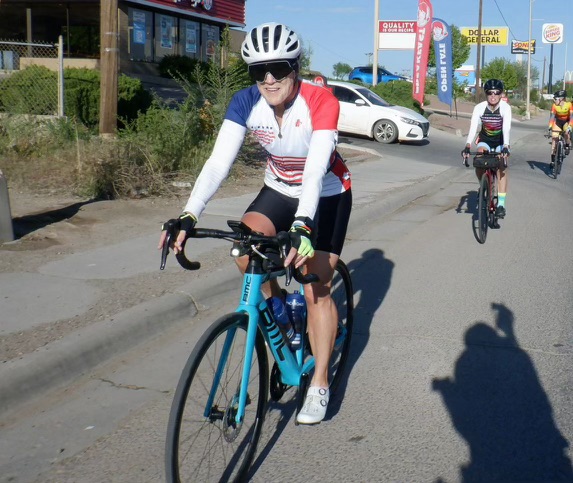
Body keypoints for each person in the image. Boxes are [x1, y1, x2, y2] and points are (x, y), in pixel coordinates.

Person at [158, 22, 352, 425]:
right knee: (244, 252)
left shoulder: (320, 101)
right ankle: (281, 313)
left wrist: (302, 226)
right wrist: (189, 214)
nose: (268, 79)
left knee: (316, 287)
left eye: (277, 69)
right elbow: (218, 163)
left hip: (327, 193)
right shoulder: (246, 101)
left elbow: (315, 171)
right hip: (278, 188)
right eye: (257, 71)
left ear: (295, 67)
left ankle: (318, 382)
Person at [462, 79, 512, 218]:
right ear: (486, 94)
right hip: (485, 140)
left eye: (497, 92)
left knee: (501, 167)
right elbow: (473, 127)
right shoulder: (479, 107)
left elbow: (506, 128)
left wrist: (506, 146)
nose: (493, 95)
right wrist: (467, 145)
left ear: (501, 94)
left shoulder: (505, 108)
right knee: (479, 160)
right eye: (490, 93)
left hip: (501, 141)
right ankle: (483, 185)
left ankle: (501, 204)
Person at [548, 89, 573, 164]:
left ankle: (567, 145)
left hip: (566, 122)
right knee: (554, 139)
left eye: (555, 98)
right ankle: (552, 161)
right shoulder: (554, 106)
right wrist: (550, 126)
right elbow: (552, 117)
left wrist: (570, 127)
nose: (554, 100)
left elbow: (571, 117)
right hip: (558, 122)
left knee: (567, 133)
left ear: (561, 99)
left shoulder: (569, 105)